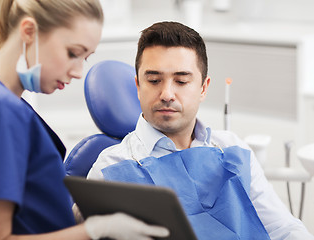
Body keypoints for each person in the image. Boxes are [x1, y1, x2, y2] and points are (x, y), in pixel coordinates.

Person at [0, 1, 170, 239]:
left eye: (84, 58)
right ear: (28, 32)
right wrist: (92, 231)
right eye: (73, 54)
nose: (78, 72)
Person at [87, 21, 314, 240]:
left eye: (181, 81)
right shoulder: (110, 169)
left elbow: (283, 228)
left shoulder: (233, 150)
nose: (167, 94)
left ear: (203, 88)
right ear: (138, 86)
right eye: (154, 80)